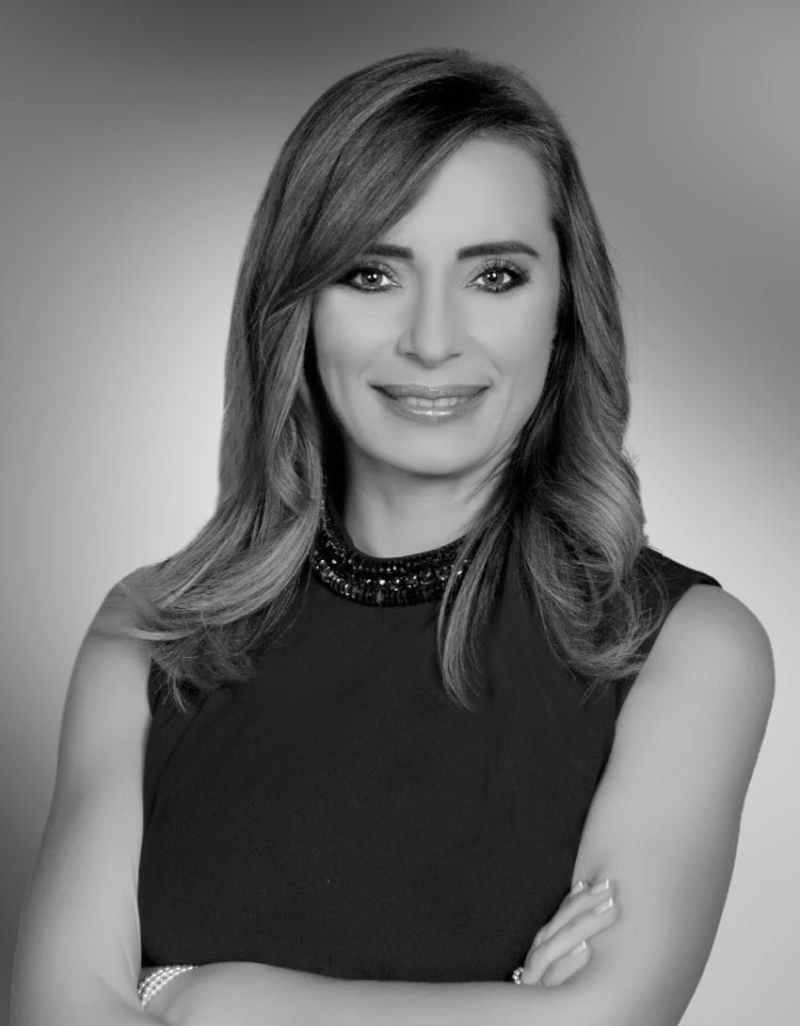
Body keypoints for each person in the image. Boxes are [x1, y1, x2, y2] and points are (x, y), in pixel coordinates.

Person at [11, 48, 773, 1026]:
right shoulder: (151, 633)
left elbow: (600, 1020)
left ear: (564, 310)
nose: (431, 340)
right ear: (294, 307)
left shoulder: (685, 648)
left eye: (494, 275)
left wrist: (205, 997)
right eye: (371, 273)